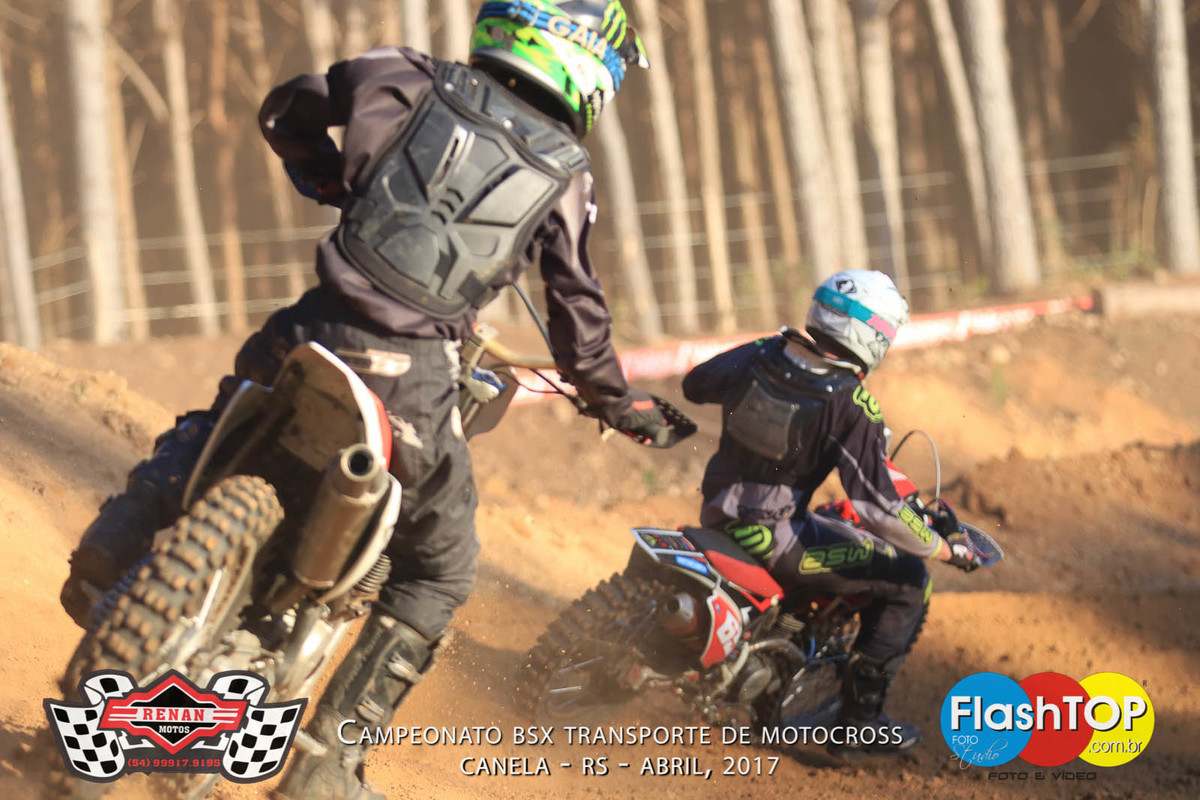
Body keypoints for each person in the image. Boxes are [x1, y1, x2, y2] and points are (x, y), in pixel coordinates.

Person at [59, 2, 669, 797]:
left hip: (311, 328)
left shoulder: (404, 74)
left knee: (220, 416)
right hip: (412, 378)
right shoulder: (566, 171)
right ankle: (327, 764)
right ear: (591, 63)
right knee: (442, 570)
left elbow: (284, 110)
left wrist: (327, 176)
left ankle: (114, 542)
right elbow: (578, 321)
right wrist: (620, 405)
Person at [681, 269, 978, 757]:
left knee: (831, 524)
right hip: (775, 537)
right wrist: (944, 549)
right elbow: (878, 508)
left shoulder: (766, 351)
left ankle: (771, 659)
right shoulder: (851, 402)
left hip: (716, 510)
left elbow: (695, 385)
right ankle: (860, 723)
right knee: (908, 580)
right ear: (873, 334)